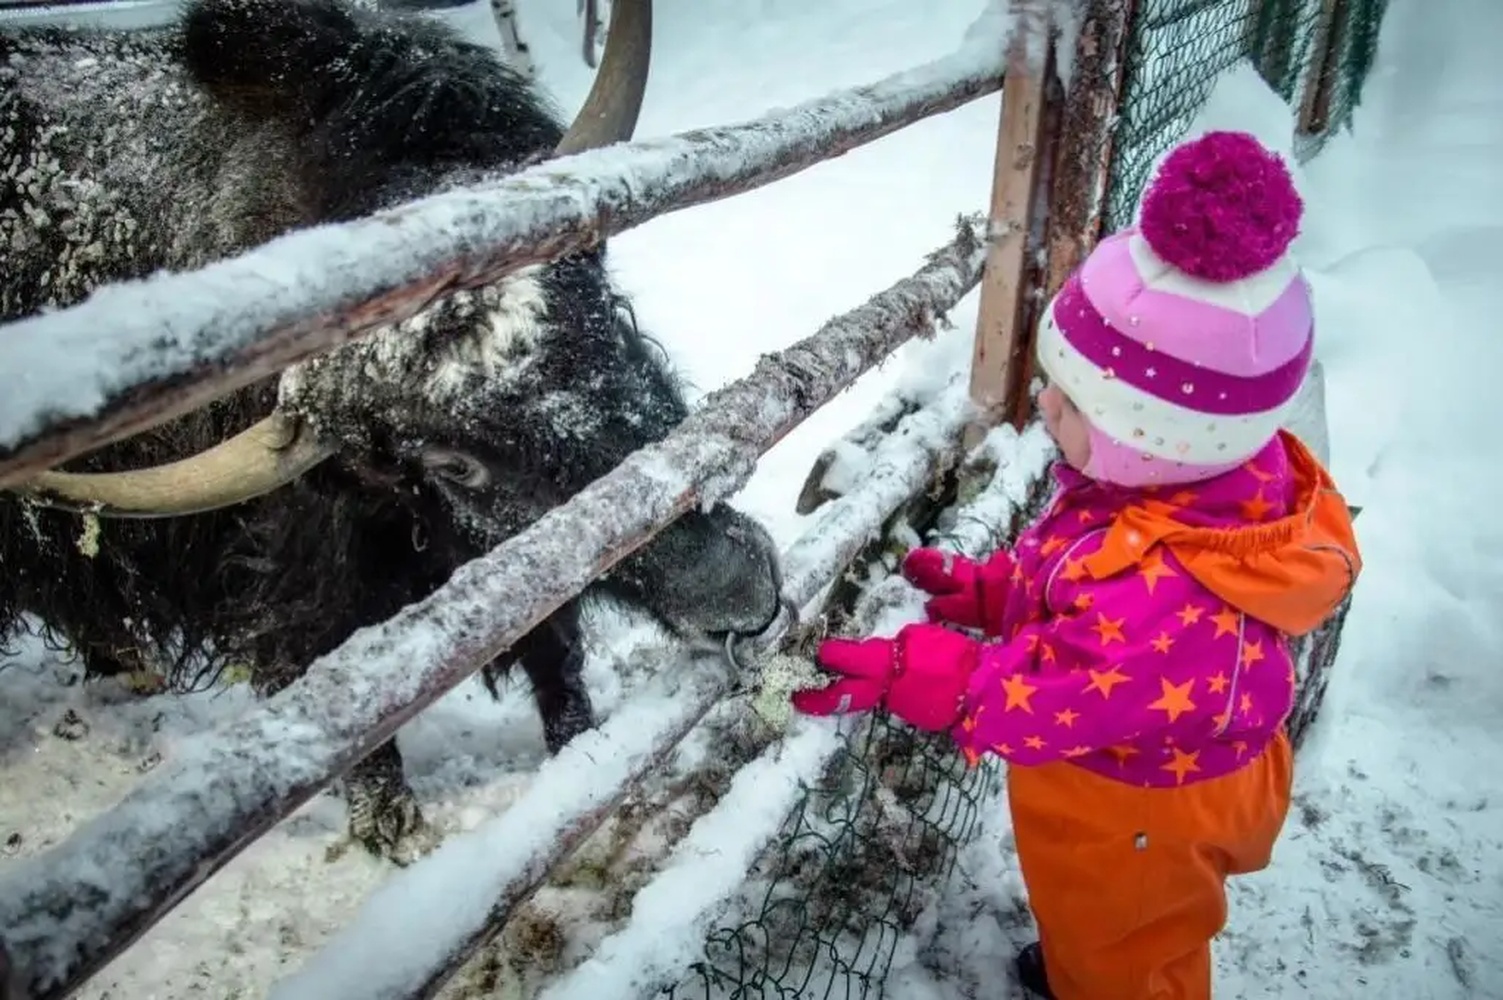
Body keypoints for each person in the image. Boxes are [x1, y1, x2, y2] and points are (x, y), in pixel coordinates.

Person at [789, 129, 1362, 1000]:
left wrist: (921, 668)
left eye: (1074, 398)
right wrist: (996, 592)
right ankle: (1079, 967)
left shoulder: (1173, 591)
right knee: (1095, 926)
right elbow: (1089, 596)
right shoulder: (1175, 494)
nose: (1043, 401)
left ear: (1160, 439)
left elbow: (1066, 681)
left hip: (1144, 814)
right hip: (1137, 770)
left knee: (1129, 955)